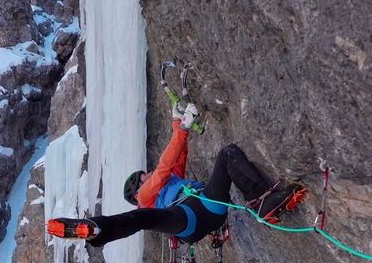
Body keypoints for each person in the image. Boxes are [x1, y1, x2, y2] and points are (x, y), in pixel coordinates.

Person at [47, 103, 304, 246]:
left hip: (207, 209)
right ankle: (97, 229)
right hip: (184, 217)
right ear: (138, 187)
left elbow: (177, 157)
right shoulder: (146, 196)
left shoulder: (172, 182)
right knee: (141, 218)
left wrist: (176, 121)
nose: (149, 174)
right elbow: (162, 169)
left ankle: (262, 201)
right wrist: (182, 128)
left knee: (227, 154)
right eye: (143, 175)